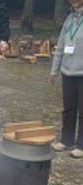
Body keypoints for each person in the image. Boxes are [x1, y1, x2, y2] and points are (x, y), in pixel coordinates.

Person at [49, 0, 83, 158]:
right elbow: (61, 46)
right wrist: (54, 70)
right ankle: (67, 140)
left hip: (81, 73)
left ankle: (81, 145)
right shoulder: (70, 18)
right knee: (68, 109)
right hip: (67, 72)